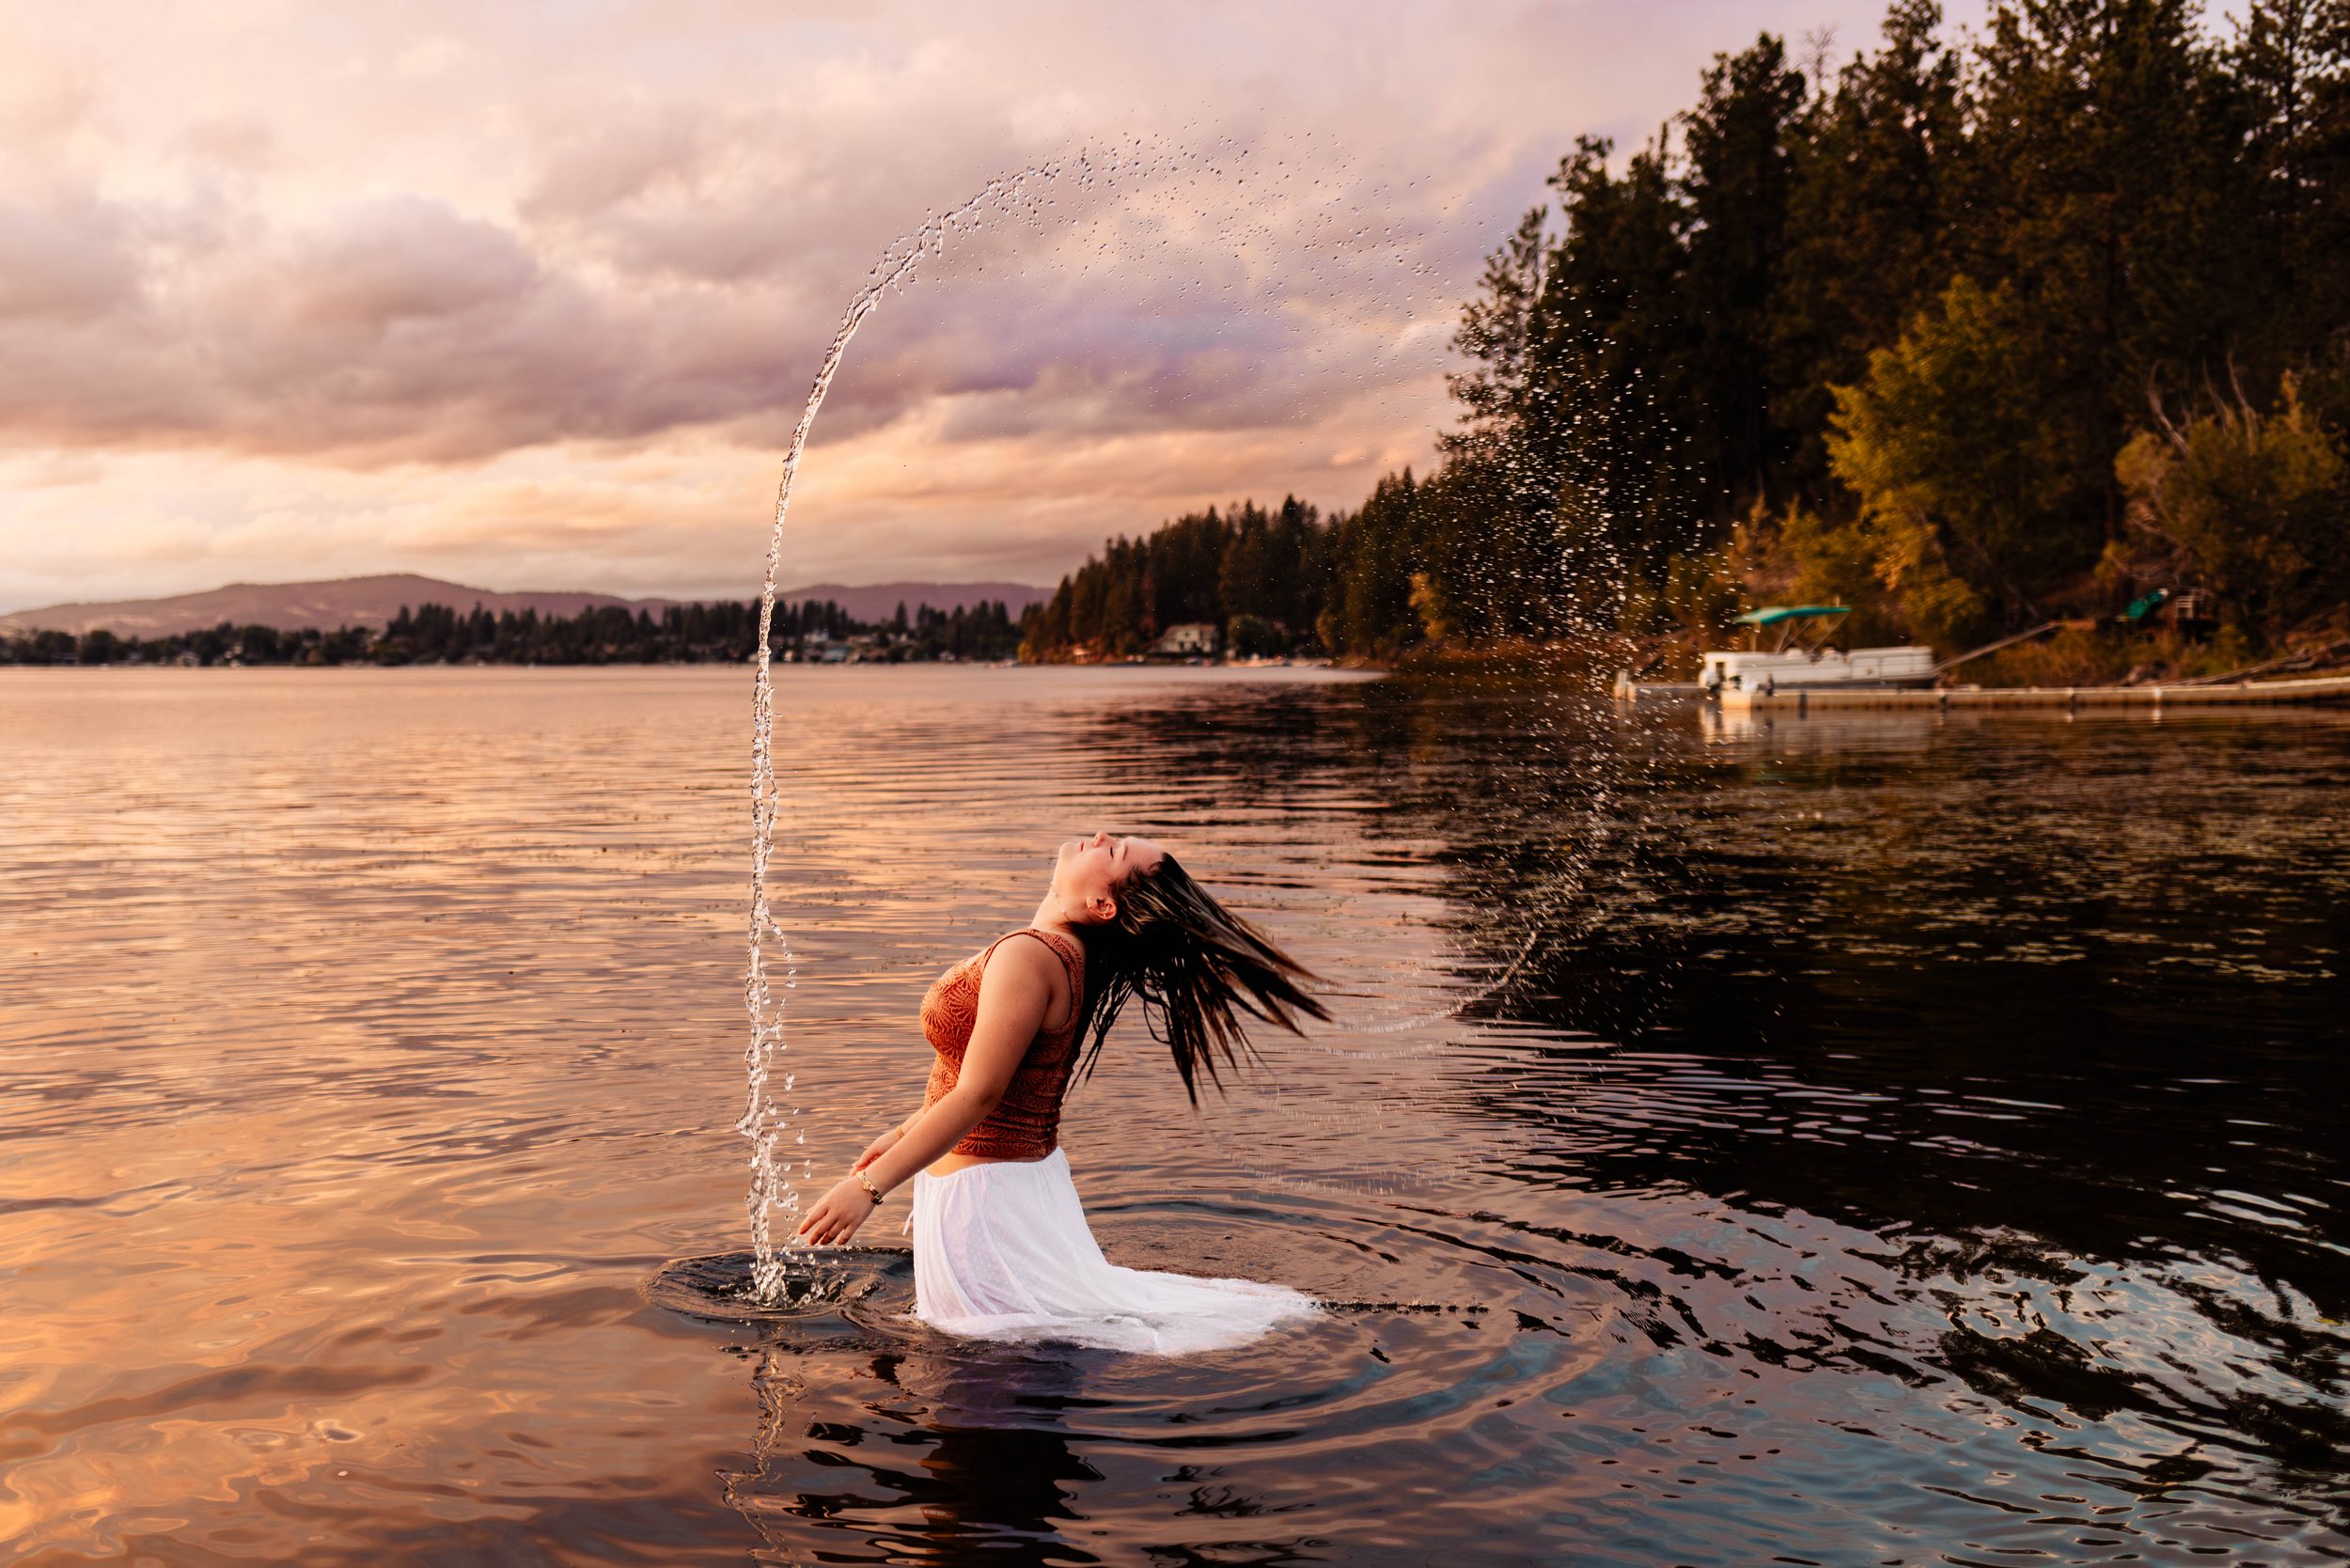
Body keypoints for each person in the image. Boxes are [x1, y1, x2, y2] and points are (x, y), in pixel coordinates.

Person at [792, 829, 1328, 1354]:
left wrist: (866, 1190)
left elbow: (981, 1093)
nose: (1099, 836)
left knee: (991, 1372)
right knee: (1015, 1350)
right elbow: (1003, 1079)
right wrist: (905, 1130)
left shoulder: (1031, 954)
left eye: (1113, 850)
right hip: (1008, 1186)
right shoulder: (1066, 953)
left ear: (1102, 904)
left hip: (985, 1203)